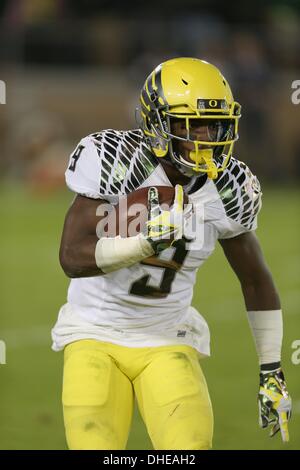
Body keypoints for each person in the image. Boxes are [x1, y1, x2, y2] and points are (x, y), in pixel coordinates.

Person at [52, 57, 291, 450]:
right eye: (190, 124)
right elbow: (72, 257)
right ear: (157, 123)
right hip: (93, 331)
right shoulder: (117, 161)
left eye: (214, 124)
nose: (205, 135)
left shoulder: (229, 188)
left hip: (168, 337)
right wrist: (143, 243)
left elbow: (255, 278)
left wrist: (271, 369)